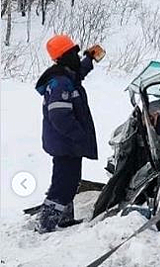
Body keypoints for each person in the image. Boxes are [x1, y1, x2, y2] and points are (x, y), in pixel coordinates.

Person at [35, 34, 101, 233]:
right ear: (65, 56)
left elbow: (78, 72)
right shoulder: (60, 83)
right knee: (63, 184)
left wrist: (89, 58)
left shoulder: (65, 75)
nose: (76, 55)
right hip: (66, 143)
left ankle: (63, 218)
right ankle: (46, 222)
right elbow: (60, 117)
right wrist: (79, 135)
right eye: (74, 52)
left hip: (67, 143)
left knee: (69, 180)